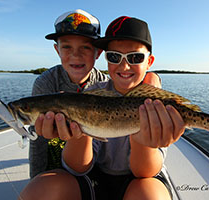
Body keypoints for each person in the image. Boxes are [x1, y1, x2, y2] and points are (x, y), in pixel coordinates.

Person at [20, 16, 185, 200]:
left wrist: (141, 140)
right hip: (95, 177)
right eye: (114, 57)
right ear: (105, 59)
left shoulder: (156, 104)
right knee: (41, 188)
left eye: (135, 57)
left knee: (149, 195)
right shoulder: (92, 93)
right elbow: (78, 167)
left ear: (149, 61)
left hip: (143, 179)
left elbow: (144, 172)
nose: (125, 65)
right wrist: (78, 134)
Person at [29, 9, 161, 179]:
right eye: (114, 57)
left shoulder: (102, 84)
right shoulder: (46, 83)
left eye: (85, 47)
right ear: (57, 50)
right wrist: (36, 178)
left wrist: (152, 80)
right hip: (73, 161)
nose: (76, 55)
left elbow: (130, 82)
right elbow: (37, 143)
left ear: (98, 53)